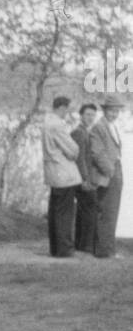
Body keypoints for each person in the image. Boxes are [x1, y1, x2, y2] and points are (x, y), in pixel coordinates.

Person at [41, 96, 81, 259]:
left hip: (53, 172)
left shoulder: (46, 123)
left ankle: (55, 248)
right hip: (63, 173)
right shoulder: (57, 125)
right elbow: (73, 150)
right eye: (66, 110)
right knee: (65, 213)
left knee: (55, 211)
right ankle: (64, 249)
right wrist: (75, 149)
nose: (67, 114)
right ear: (62, 108)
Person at [90, 96, 125, 258]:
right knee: (107, 211)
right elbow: (97, 153)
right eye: (112, 111)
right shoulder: (99, 127)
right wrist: (110, 171)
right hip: (108, 174)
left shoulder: (112, 126)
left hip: (116, 170)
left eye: (117, 111)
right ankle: (104, 251)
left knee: (112, 211)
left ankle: (108, 249)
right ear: (104, 111)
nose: (114, 114)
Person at [71, 102, 99, 254]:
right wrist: (85, 179)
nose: (90, 118)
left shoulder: (85, 132)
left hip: (84, 177)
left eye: (93, 115)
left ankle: (81, 245)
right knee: (89, 211)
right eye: (88, 114)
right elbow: (79, 158)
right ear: (81, 115)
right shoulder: (79, 133)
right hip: (82, 178)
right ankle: (86, 246)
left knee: (84, 211)